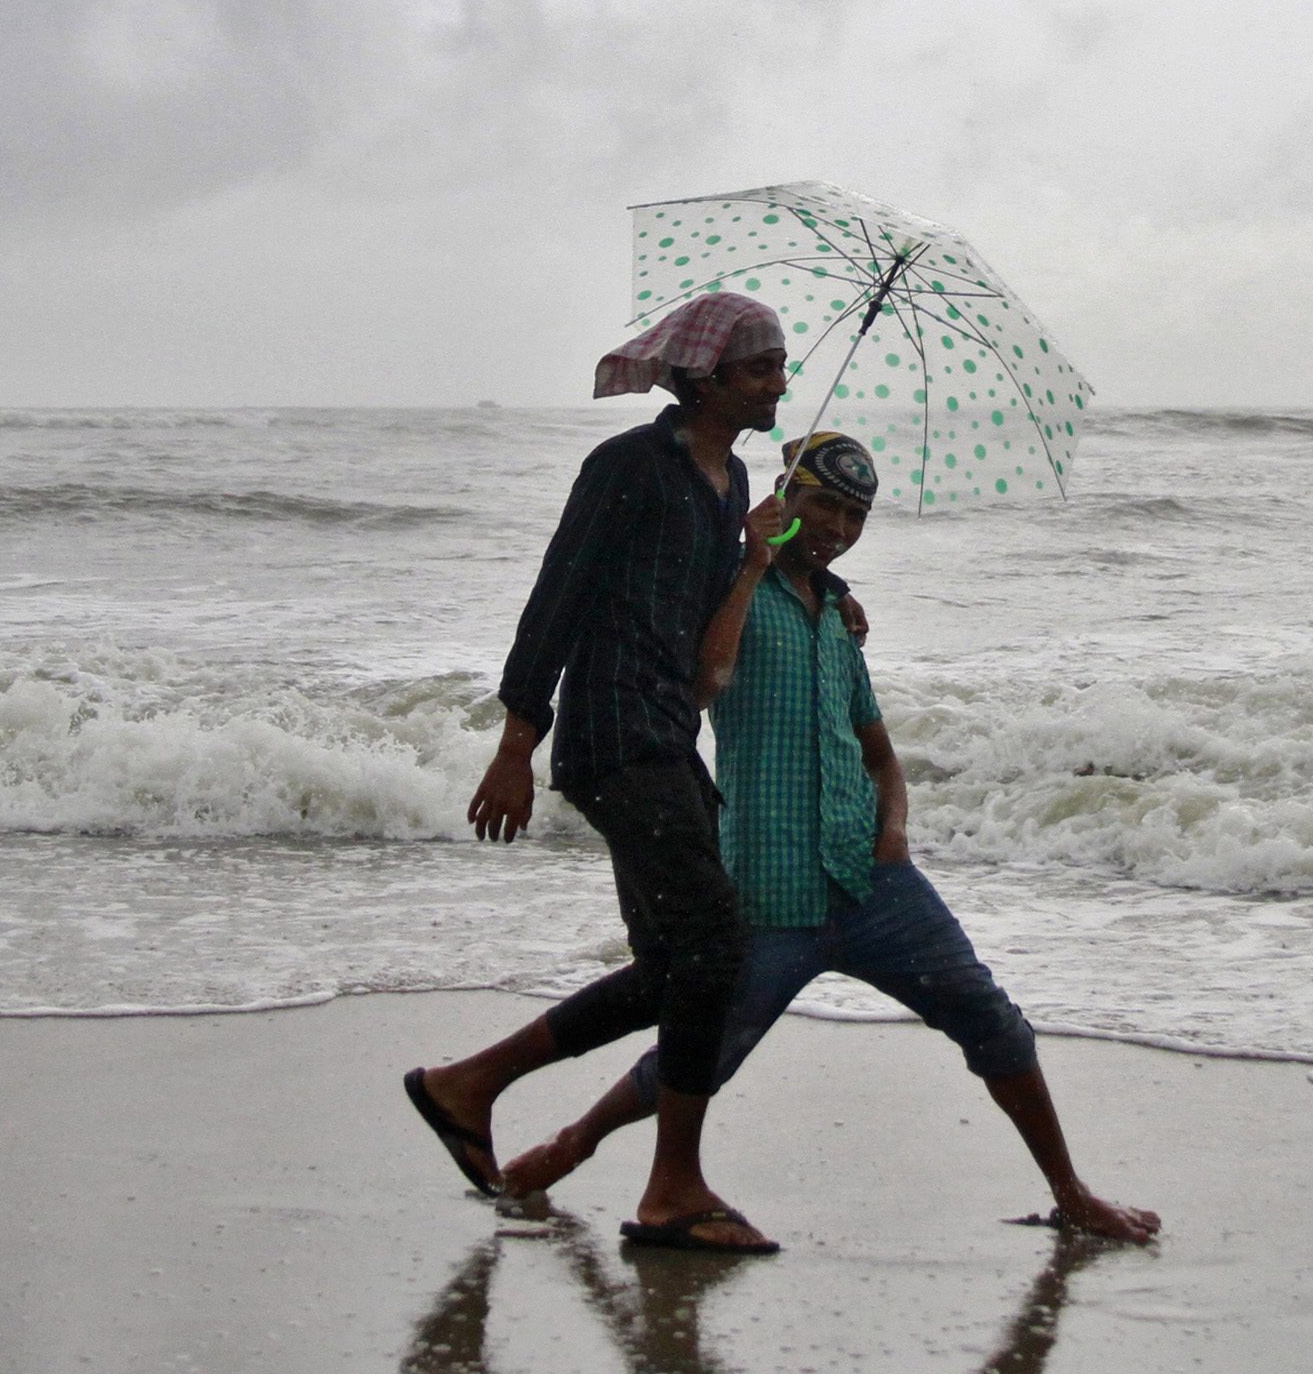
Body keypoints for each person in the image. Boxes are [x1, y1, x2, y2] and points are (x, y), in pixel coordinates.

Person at [496, 431, 1160, 1243]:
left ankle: (1072, 1192)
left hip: (872, 881)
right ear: (787, 496)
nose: (838, 529)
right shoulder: (726, 587)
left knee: (991, 1018)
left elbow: (880, 754)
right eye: (824, 506)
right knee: (702, 1052)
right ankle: (573, 1143)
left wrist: (894, 830)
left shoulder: (840, 619)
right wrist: (751, 564)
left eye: (855, 516)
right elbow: (702, 685)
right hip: (769, 890)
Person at [403, 290, 792, 1255]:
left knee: (671, 971)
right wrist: (515, 746)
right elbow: (558, 597)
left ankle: (467, 1085)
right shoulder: (627, 465)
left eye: (781, 365)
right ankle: (672, 1190)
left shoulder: (733, 483)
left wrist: (768, 564)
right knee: (715, 944)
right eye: (760, 368)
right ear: (705, 378)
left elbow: (706, 648)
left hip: (668, 733)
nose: (779, 383)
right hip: (614, 734)